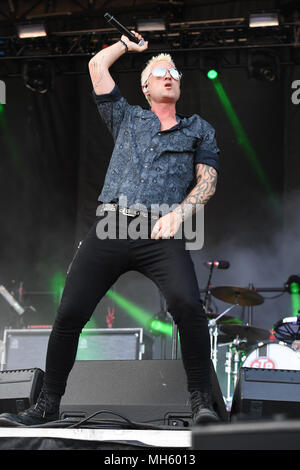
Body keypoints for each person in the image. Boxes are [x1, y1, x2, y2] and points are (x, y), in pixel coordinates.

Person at [0, 31, 220, 427]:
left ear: (179, 85)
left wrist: (180, 215)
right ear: (146, 86)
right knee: (69, 312)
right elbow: (96, 66)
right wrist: (126, 45)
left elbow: (208, 181)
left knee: (188, 306)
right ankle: (47, 405)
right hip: (113, 224)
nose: (168, 75)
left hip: (162, 230)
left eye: (174, 72)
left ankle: (201, 402)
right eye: (159, 72)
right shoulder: (127, 117)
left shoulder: (198, 129)